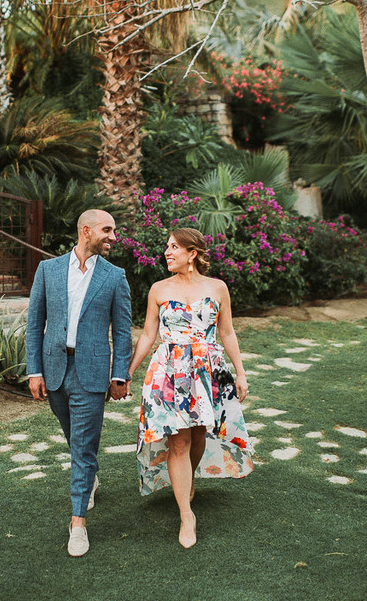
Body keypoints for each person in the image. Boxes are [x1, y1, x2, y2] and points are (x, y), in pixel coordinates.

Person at [127, 227, 253, 548]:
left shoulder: (217, 287)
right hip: (169, 371)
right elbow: (148, 334)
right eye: (167, 247)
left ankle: (188, 479)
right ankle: (186, 514)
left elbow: (227, 332)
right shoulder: (158, 289)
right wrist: (127, 371)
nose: (166, 252)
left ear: (192, 253)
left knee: (198, 436)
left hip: (207, 369)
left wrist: (240, 373)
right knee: (178, 443)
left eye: (173, 247)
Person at [25, 209, 132, 557]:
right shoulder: (48, 270)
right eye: (107, 230)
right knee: (75, 438)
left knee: (83, 446)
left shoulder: (115, 277)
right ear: (86, 231)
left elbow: (123, 331)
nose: (113, 237)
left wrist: (119, 374)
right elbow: (34, 324)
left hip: (93, 371)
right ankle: (90, 478)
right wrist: (34, 371)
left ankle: (77, 524)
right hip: (55, 369)